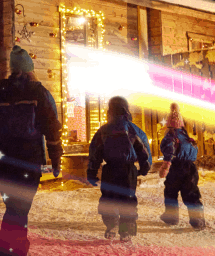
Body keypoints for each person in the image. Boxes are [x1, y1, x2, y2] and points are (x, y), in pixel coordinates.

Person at [0, 46, 62, 256]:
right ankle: (7, 255)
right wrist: (56, 158)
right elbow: (52, 127)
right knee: (19, 208)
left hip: (2, 160)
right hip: (27, 159)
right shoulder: (38, 92)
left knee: (14, 205)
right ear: (29, 69)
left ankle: (16, 250)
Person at [86, 96, 151, 241]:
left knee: (109, 198)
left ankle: (111, 225)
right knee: (127, 199)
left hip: (110, 170)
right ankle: (126, 231)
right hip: (128, 170)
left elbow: (95, 152)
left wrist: (92, 171)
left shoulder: (104, 130)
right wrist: (145, 166)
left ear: (110, 110)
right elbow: (143, 149)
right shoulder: (133, 130)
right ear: (126, 110)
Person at [158, 103, 206, 230]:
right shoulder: (188, 138)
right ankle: (198, 220)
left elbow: (169, 154)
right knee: (191, 193)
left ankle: (171, 217)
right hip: (190, 168)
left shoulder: (170, 137)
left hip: (176, 168)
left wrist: (165, 168)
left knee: (170, 192)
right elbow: (194, 155)